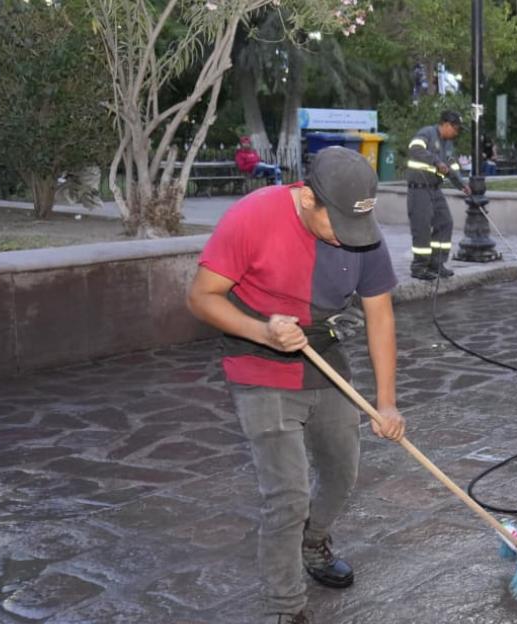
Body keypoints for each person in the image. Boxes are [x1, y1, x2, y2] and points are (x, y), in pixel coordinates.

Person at [186, 147, 404, 624]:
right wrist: (263, 331)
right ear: (307, 198)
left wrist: (385, 404)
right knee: (286, 493)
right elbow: (201, 298)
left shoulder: (361, 234)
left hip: (321, 352)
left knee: (343, 472)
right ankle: (285, 608)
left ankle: (313, 539)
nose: (350, 240)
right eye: (338, 225)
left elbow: (379, 316)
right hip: (257, 354)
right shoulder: (252, 216)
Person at [406, 110, 469, 280]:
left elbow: (452, 168)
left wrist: (462, 185)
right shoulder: (427, 133)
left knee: (445, 222)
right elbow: (415, 149)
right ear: (446, 124)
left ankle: (437, 263)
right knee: (422, 227)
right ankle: (419, 267)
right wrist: (436, 161)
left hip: (434, 189)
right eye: (456, 129)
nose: (457, 133)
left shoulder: (448, 144)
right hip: (419, 189)